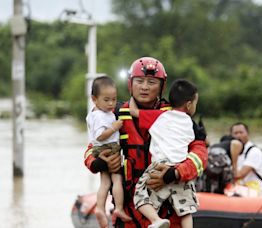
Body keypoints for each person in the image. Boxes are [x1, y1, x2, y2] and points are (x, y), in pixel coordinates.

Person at [83, 57, 208, 228]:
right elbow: (91, 149)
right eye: (139, 81)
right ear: (130, 84)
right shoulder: (114, 114)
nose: (144, 87)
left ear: (161, 86)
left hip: (168, 215)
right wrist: (98, 163)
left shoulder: (175, 117)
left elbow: (200, 155)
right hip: (128, 215)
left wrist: (174, 173)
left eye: (151, 82)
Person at [129, 79, 200, 228]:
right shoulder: (191, 123)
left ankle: (156, 220)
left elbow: (133, 111)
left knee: (140, 197)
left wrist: (131, 98)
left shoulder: (159, 116)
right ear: (188, 105)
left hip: (159, 166)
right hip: (179, 169)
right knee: (186, 211)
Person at [85, 76, 132, 228]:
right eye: (107, 100)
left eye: (114, 99)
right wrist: (114, 127)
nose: (111, 103)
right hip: (109, 148)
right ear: (94, 99)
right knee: (117, 179)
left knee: (105, 183)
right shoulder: (101, 116)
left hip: (99, 150)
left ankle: (99, 208)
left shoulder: (94, 113)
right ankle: (118, 208)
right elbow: (99, 135)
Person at [230, 122, 262, 196]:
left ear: (247, 133)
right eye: (235, 133)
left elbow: (238, 175)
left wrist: (234, 155)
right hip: (243, 188)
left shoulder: (254, 151)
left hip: (258, 190)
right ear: (231, 136)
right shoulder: (230, 150)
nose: (238, 136)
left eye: (241, 132)